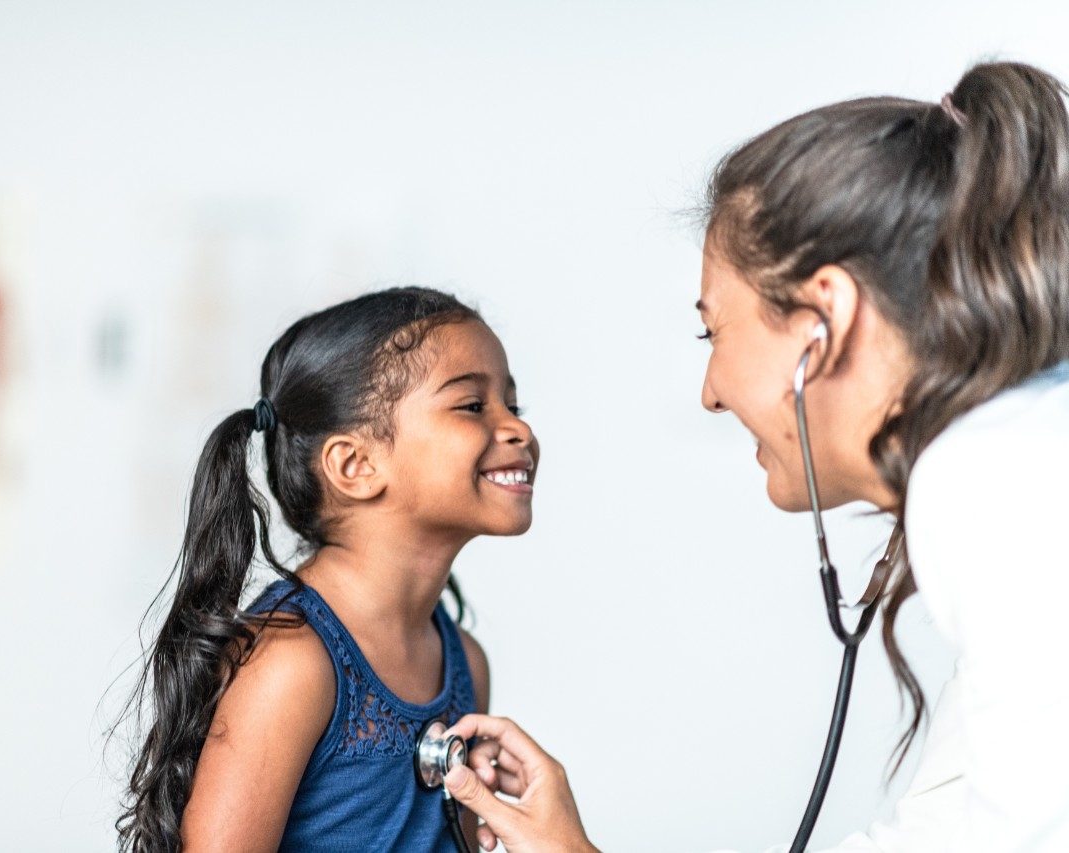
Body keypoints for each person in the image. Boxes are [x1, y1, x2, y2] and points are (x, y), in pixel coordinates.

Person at [442, 61, 1069, 852]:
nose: (710, 391)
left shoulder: (989, 482)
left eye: (714, 331)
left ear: (824, 319)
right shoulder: (1018, 462)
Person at [114, 286, 539, 852]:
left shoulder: (465, 663)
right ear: (355, 464)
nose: (519, 430)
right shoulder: (291, 666)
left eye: (514, 406)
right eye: (472, 405)